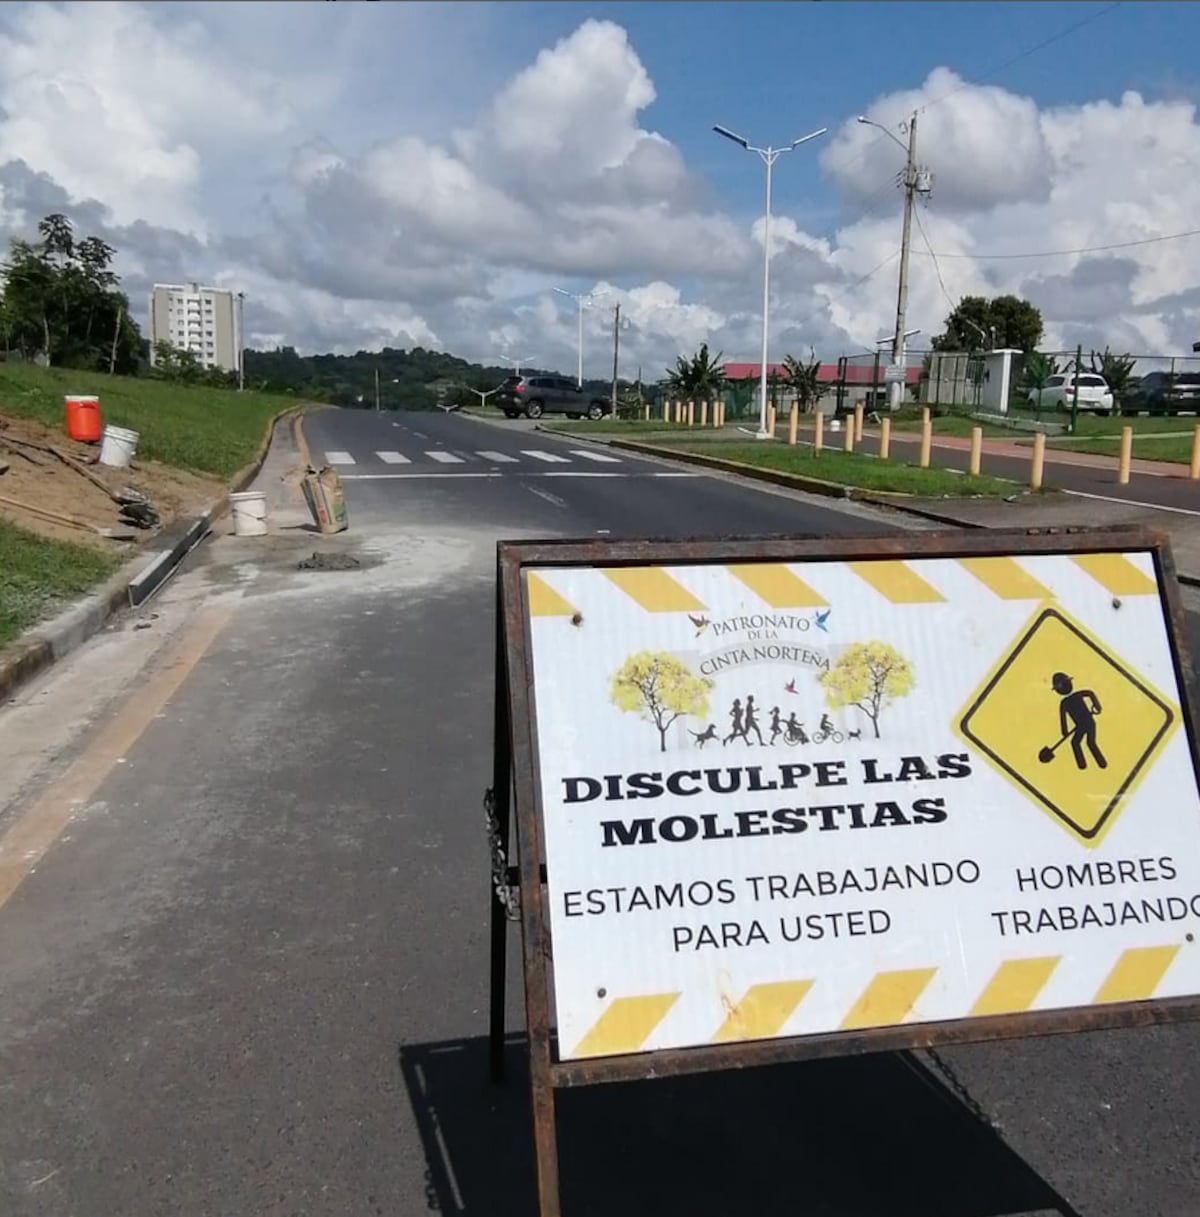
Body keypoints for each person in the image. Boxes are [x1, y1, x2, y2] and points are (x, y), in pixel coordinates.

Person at [1052, 672, 1106, 770]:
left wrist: (1097, 706)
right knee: (1076, 742)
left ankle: (1101, 763)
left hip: (1088, 722)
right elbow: (1063, 718)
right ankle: (1083, 765)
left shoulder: (1070, 699)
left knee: (1089, 742)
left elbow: (1090, 693)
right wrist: (1064, 730)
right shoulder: (1064, 703)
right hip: (1082, 725)